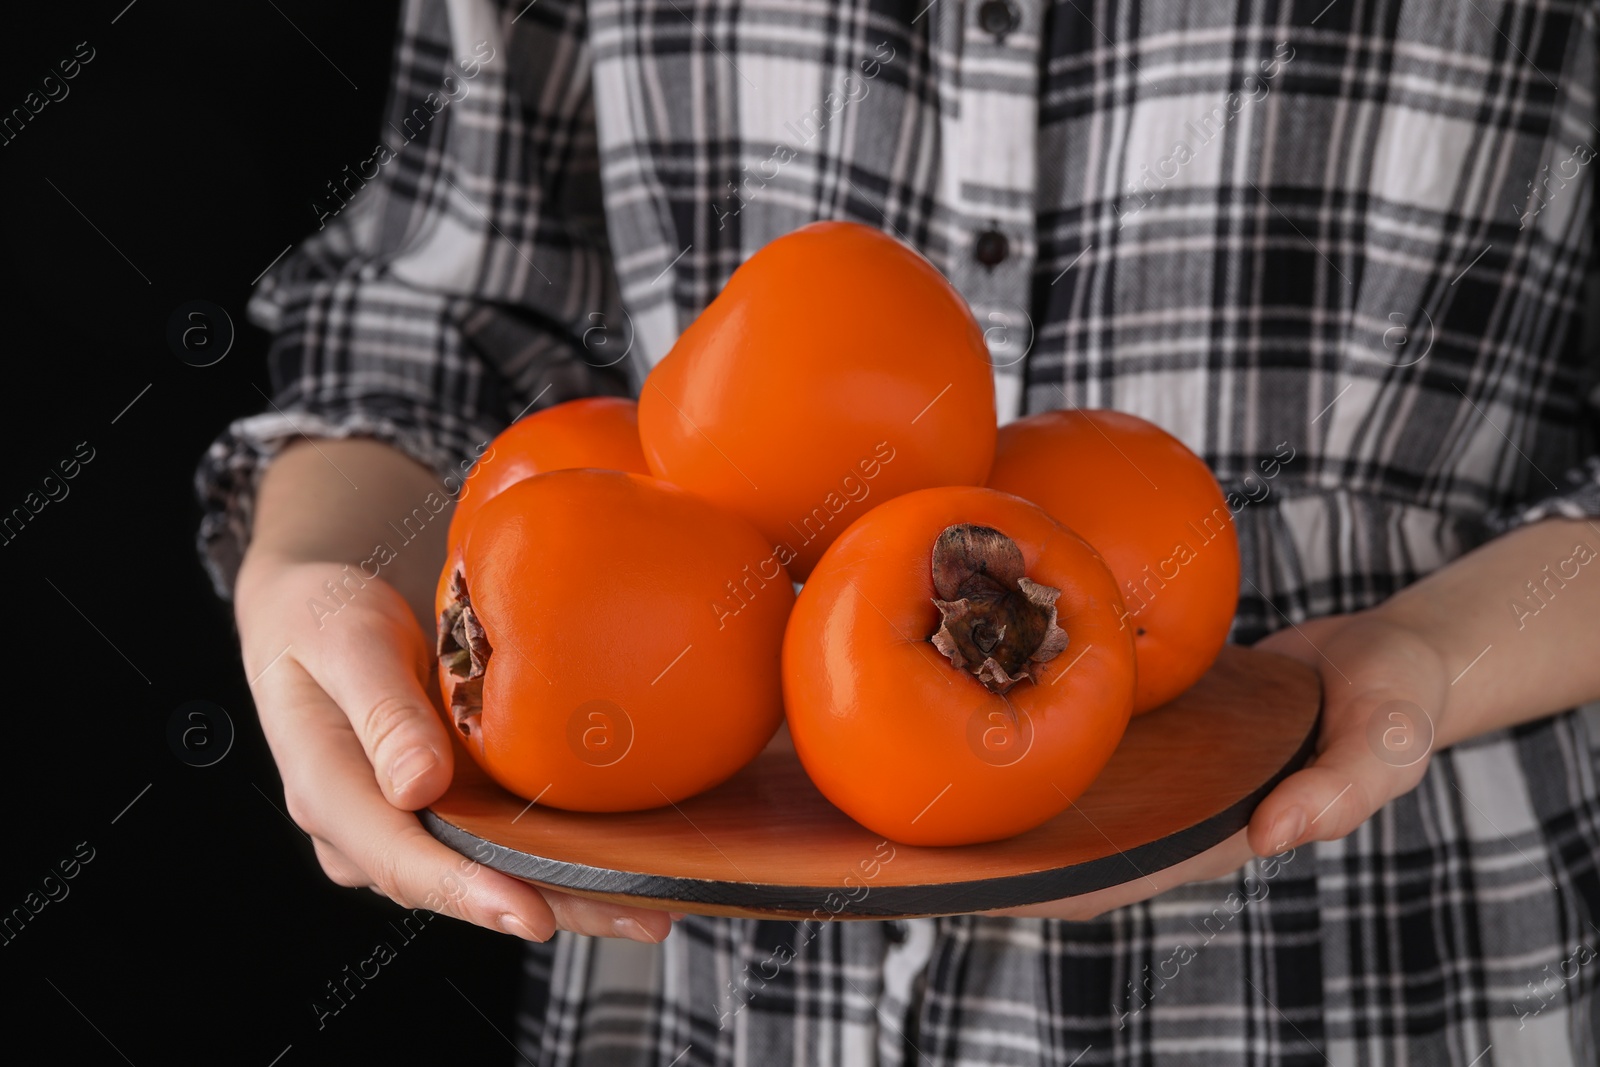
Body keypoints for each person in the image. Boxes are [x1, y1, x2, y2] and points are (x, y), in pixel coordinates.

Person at [198, 0, 1600, 1062]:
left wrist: (1432, 651)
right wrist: (313, 579)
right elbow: (431, 305)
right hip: (708, 1007)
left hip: (1379, 967)